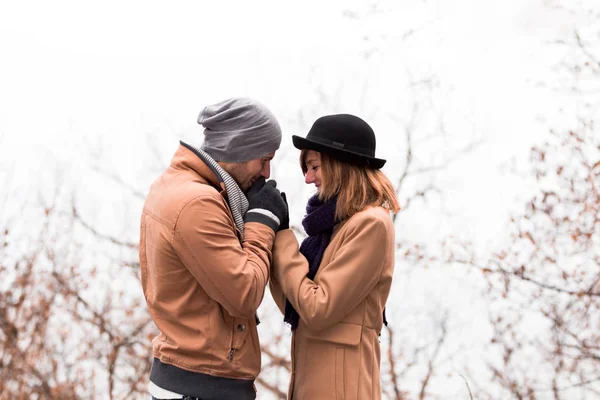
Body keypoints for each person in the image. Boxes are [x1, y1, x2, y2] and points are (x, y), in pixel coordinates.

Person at [139, 97, 288, 400]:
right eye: (264, 159)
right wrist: (262, 221)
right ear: (240, 150)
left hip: (192, 380)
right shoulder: (198, 203)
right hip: (200, 386)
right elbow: (244, 293)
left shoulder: (177, 186)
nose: (267, 173)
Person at [269, 114, 400, 399]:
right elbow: (295, 306)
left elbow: (317, 308)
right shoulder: (331, 230)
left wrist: (282, 238)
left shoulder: (370, 225)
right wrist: (268, 239)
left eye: (314, 166)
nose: (308, 178)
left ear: (341, 165)